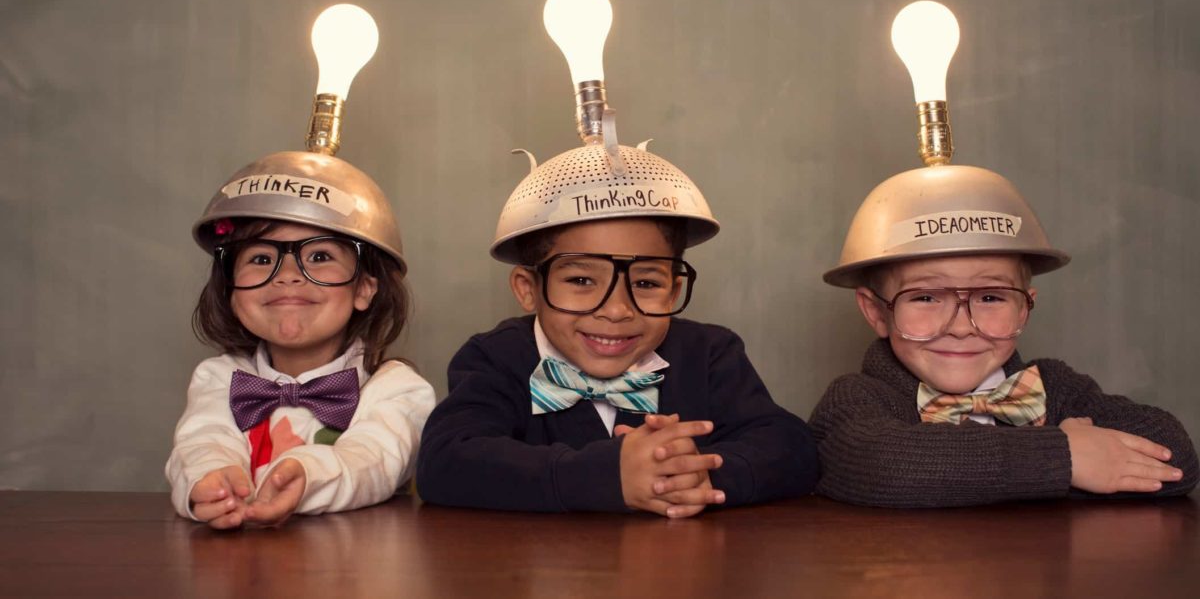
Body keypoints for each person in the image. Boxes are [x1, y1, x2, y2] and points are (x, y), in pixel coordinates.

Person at [417, 123, 819, 517]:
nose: (616, 310)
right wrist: (607, 475)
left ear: (674, 290)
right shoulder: (496, 357)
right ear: (528, 288)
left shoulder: (709, 353)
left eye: (645, 282)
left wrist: (696, 474)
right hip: (542, 575)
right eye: (580, 279)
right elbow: (445, 463)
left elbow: (792, 448)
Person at [810, 163, 1198, 507]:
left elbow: (1174, 453)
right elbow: (882, 466)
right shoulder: (856, 400)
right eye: (925, 297)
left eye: (991, 296)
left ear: (1025, 308)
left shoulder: (1056, 388)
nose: (961, 327)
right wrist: (1067, 459)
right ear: (876, 311)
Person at [166, 150, 435, 528]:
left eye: (319, 256)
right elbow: (200, 444)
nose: (288, 274)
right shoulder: (218, 378)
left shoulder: (399, 390)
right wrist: (210, 479)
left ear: (364, 289)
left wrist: (306, 475)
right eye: (261, 259)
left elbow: (371, 460)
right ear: (230, 289)